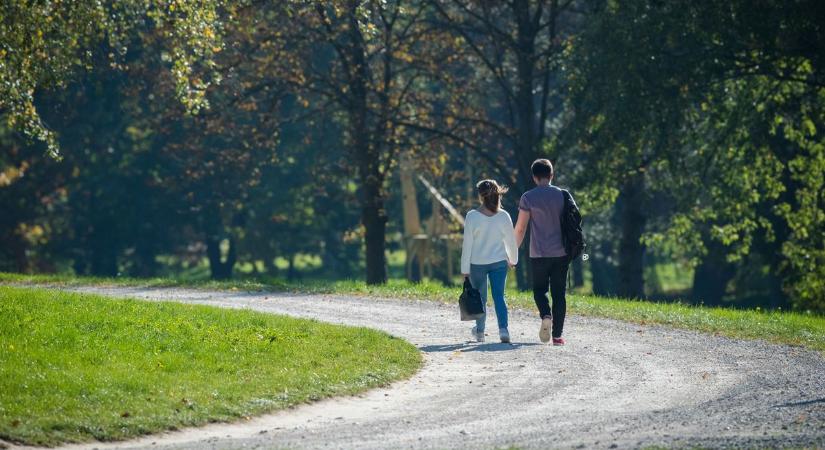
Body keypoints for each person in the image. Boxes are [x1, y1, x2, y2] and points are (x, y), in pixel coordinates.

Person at [514, 159, 575, 346]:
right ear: (551, 175)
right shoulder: (563, 195)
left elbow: (521, 229)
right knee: (559, 294)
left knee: (540, 291)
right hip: (561, 253)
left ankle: (545, 315)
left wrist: (512, 252)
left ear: (534, 177)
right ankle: (557, 336)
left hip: (538, 253)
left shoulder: (528, 197)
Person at [460, 179, 518, 344]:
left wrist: (465, 269)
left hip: (477, 263)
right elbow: (510, 241)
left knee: (480, 298)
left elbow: (467, 245)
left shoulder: (472, 216)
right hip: (499, 262)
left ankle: (480, 332)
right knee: (499, 296)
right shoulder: (504, 216)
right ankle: (503, 330)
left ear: (480, 196)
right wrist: (513, 259)